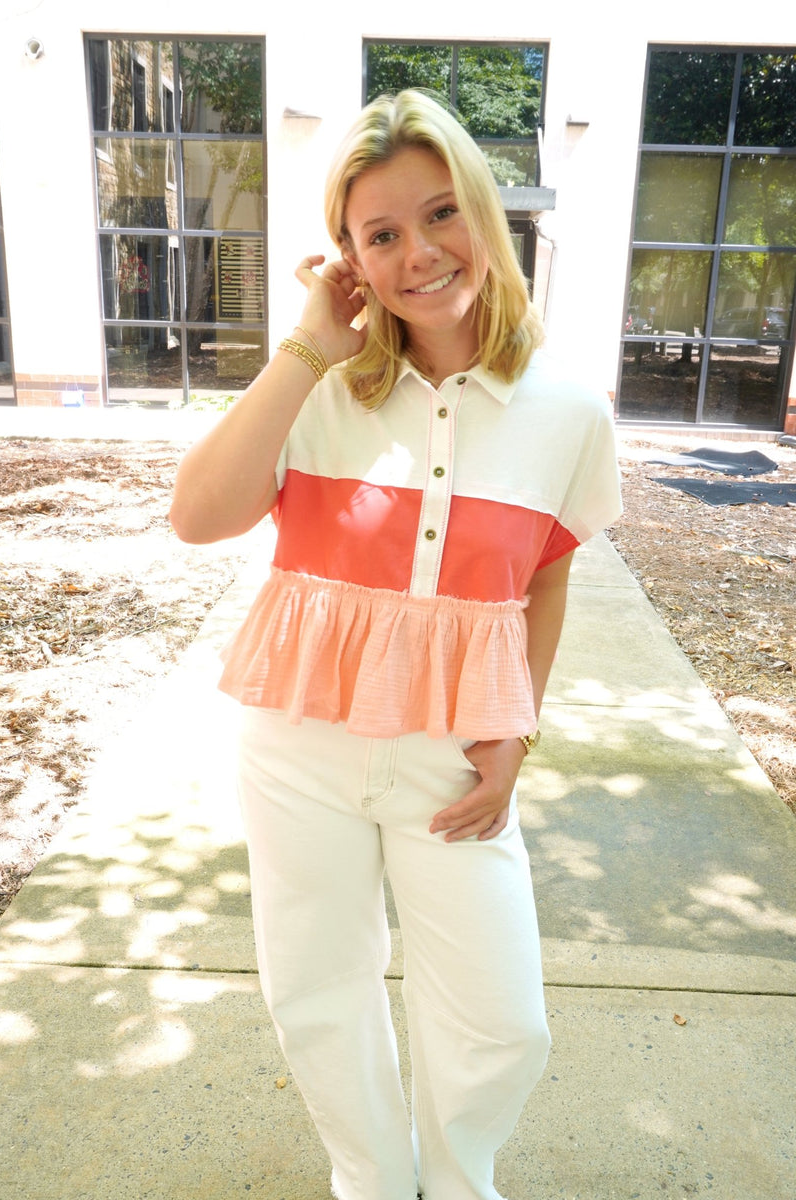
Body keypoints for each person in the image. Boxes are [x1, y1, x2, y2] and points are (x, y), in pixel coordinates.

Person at [170, 89, 621, 1200]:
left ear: (484, 211)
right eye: (379, 235)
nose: (418, 252)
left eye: (438, 214)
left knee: (503, 1023)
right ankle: (372, 1183)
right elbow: (198, 515)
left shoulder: (563, 408)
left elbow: (544, 580)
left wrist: (514, 733)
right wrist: (305, 348)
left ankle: (457, 1181)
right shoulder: (314, 387)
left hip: (447, 756)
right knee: (318, 995)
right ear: (349, 260)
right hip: (299, 743)